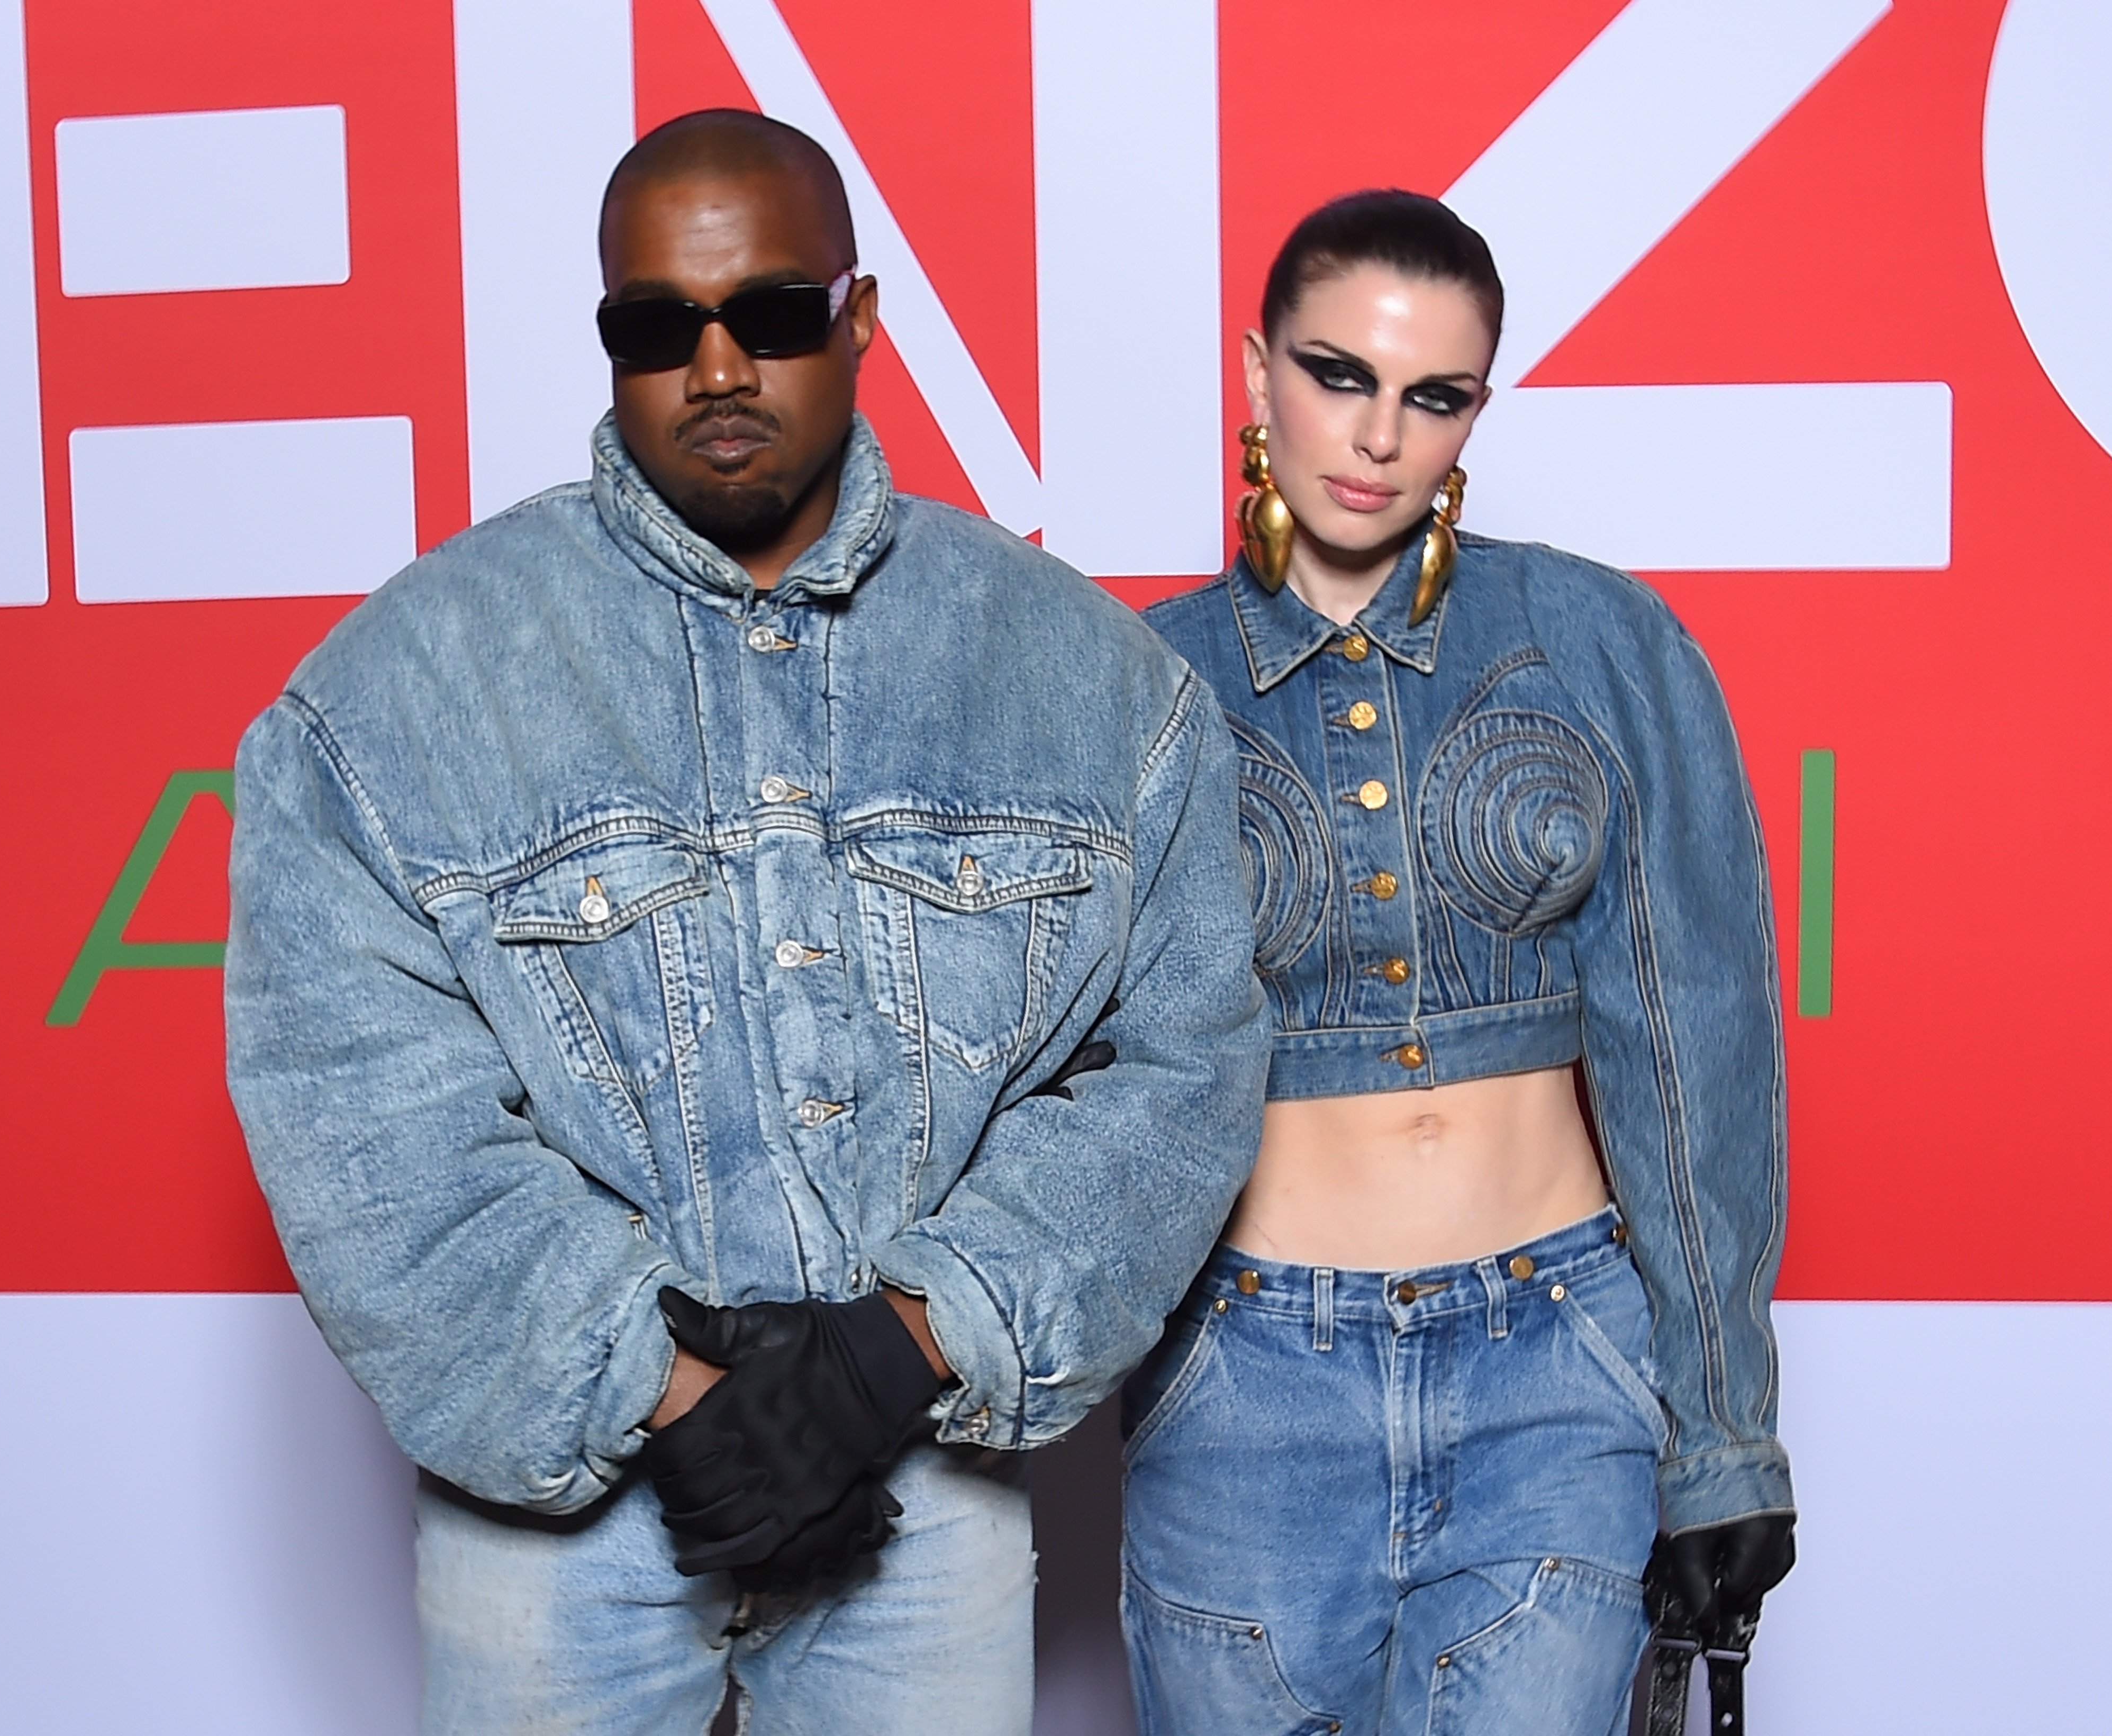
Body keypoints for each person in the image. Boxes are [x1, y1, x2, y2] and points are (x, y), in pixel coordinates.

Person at [224, 108, 1267, 1735]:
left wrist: (905, 1347)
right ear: (610, 346)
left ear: (859, 321)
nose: (717, 367)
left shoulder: (1092, 686)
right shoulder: (391, 698)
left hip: (922, 1494)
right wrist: (665, 1390)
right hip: (555, 1525)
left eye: (771, 314)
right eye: (660, 329)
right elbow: (366, 1116)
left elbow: (1182, 1063)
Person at [1127, 190, 1795, 1736]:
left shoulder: (1601, 642)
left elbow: (1693, 1053)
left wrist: (1724, 1438)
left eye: (1433, 397)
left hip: (1554, 1369)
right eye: (1337, 373)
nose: (1377, 436)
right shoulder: (1137, 683)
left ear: (1475, 412)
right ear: (1255, 374)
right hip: (1247, 1383)